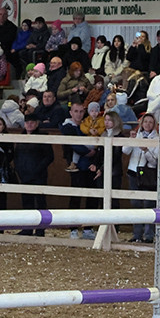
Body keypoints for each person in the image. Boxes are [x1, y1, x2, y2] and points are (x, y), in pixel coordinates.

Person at [61, 102, 98, 239]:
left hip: (89, 165)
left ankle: (88, 228)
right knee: (76, 197)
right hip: (76, 165)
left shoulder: (87, 124)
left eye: (81, 111)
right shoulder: (67, 126)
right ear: (71, 112)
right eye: (76, 111)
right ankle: (73, 228)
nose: (79, 114)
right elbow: (73, 144)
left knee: (92, 196)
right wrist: (88, 152)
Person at [14, 114, 53, 236]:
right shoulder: (20, 138)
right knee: (27, 202)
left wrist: (38, 169)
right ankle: (27, 228)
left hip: (38, 175)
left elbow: (49, 157)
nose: (29, 124)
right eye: (27, 122)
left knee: (40, 203)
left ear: (36, 123)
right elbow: (16, 156)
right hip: (24, 175)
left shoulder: (43, 136)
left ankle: (40, 230)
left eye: (32, 122)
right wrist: (19, 169)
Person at [123, 112, 158, 243]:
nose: (147, 124)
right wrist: (131, 140)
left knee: (148, 204)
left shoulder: (156, 139)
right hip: (133, 172)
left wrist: (146, 150)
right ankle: (137, 234)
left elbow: (154, 160)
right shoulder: (136, 135)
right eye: (145, 121)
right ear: (141, 123)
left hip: (147, 173)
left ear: (154, 125)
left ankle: (148, 235)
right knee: (135, 204)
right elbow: (125, 151)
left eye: (150, 122)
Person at [90, 111, 124, 210]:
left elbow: (115, 156)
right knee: (102, 198)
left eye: (109, 120)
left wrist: (102, 169)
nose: (106, 122)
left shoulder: (119, 136)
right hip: (102, 169)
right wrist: (94, 164)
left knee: (113, 200)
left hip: (113, 172)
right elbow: (99, 152)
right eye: (105, 120)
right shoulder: (104, 134)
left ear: (115, 121)